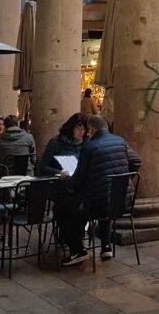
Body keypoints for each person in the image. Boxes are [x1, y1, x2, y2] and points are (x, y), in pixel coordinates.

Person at [56, 115, 141, 265]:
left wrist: (66, 181)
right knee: (104, 200)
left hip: (96, 205)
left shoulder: (89, 147)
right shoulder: (120, 141)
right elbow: (137, 161)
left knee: (62, 209)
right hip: (122, 202)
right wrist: (124, 179)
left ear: (92, 129)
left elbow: (77, 181)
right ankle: (106, 247)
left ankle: (77, 250)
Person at [36, 112, 88, 176]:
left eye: (83, 129)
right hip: (60, 180)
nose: (81, 132)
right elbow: (43, 167)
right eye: (78, 128)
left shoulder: (87, 142)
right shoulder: (56, 142)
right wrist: (60, 172)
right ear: (71, 128)